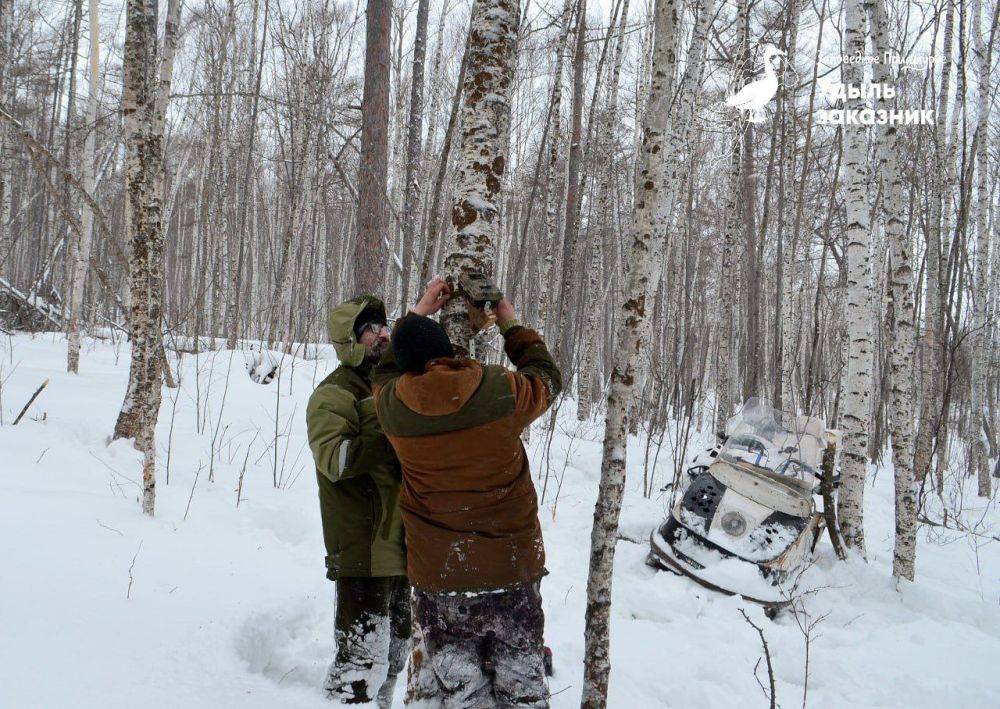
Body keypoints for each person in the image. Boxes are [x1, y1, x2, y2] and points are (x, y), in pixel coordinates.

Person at [372, 277, 562, 708]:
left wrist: (416, 313)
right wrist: (511, 325)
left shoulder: (393, 409)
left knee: (464, 692)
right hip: (512, 567)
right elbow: (547, 378)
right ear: (449, 351)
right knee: (524, 688)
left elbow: (382, 372)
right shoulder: (499, 389)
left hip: (441, 578)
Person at [306, 294, 410, 706]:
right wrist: (386, 427)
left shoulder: (395, 383)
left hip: (403, 545)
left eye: (384, 325)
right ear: (350, 338)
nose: (382, 334)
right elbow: (336, 460)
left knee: (396, 657)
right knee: (359, 668)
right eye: (370, 328)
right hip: (363, 547)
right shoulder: (334, 393)